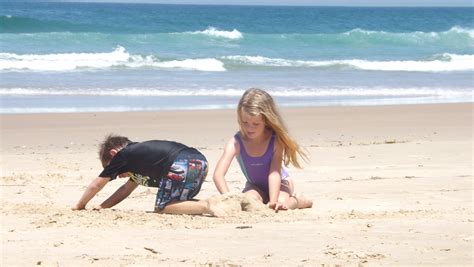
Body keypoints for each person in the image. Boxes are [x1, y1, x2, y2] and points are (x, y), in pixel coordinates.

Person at [72, 134, 227, 217]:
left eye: (113, 169)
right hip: (200, 162)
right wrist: (102, 206)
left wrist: (80, 205)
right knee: (178, 203)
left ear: (114, 154)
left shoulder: (124, 155)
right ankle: (214, 204)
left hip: (180, 163)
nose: (118, 175)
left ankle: (206, 205)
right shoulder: (141, 161)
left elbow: (96, 185)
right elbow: (125, 190)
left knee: (162, 207)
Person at [213, 88, 313, 211]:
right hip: (255, 186)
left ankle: (299, 201)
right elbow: (218, 174)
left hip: (281, 183)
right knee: (247, 204)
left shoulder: (275, 141)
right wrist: (228, 198)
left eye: (255, 124)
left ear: (266, 121)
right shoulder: (236, 143)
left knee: (281, 206)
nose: (249, 128)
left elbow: (274, 173)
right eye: (245, 122)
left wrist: (273, 201)